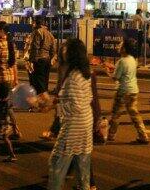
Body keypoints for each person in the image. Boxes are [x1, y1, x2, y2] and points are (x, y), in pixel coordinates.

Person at [48, 38, 93, 190]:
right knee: (82, 165)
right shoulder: (84, 72)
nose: (62, 51)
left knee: (56, 163)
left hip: (74, 127)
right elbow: (87, 99)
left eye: (66, 49)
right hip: (85, 124)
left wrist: (54, 107)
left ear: (73, 53)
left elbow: (75, 106)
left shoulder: (73, 77)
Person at [106, 38, 149, 144]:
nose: (118, 47)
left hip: (123, 91)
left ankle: (110, 135)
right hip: (133, 91)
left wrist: (108, 72)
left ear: (124, 49)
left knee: (115, 114)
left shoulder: (122, 61)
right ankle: (143, 135)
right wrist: (114, 68)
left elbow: (116, 77)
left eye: (121, 45)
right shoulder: (132, 59)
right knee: (134, 114)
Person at [27, 16, 55, 95]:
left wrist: (31, 61)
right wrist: (51, 60)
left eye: (33, 22)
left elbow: (35, 47)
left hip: (39, 60)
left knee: (38, 83)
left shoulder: (37, 32)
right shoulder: (50, 34)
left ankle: (40, 101)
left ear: (36, 23)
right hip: (47, 60)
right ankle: (44, 99)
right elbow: (53, 50)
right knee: (45, 81)